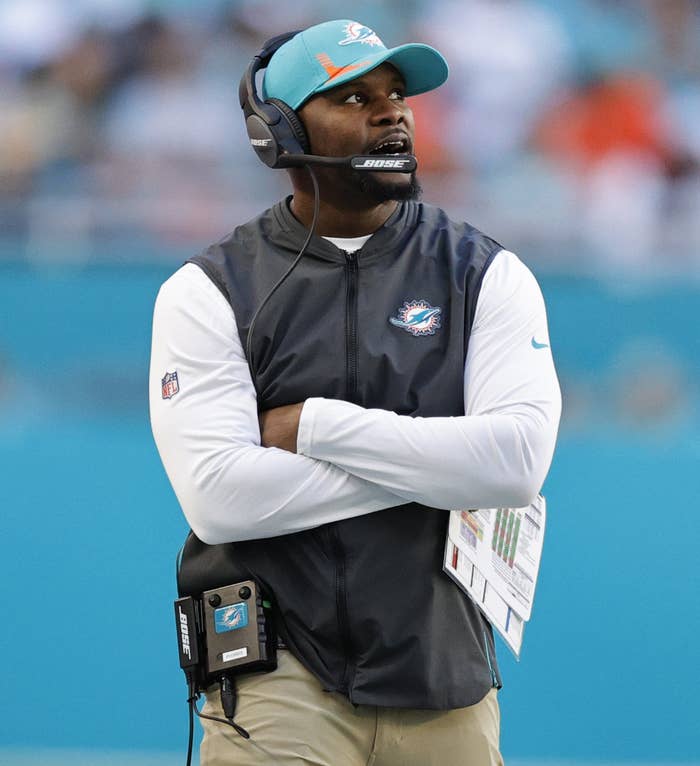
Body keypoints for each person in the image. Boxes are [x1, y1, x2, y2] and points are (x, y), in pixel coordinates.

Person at [149, 18, 561, 766]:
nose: (391, 112)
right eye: (353, 97)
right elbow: (221, 499)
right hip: (275, 678)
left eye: (397, 94)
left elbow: (515, 466)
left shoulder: (487, 273)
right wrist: (438, 461)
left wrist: (315, 426)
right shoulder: (206, 290)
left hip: (444, 679)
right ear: (275, 132)